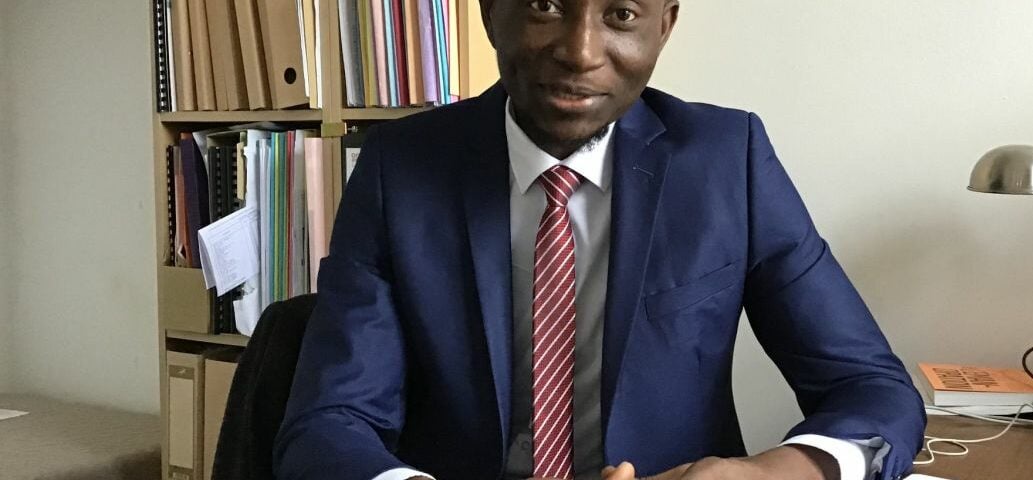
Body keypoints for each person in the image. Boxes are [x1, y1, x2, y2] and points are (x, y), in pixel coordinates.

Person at [273, 0, 926, 478]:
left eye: (620, 14)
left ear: (664, 25)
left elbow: (869, 387)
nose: (580, 52)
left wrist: (778, 472)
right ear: (491, 13)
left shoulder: (728, 161)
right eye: (545, 6)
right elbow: (327, 422)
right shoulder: (399, 167)